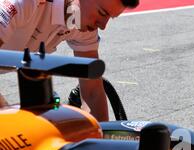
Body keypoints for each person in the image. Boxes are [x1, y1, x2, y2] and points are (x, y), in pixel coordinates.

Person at [0, 0, 139, 121]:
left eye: (110, 17)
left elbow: (92, 92)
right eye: (102, 13)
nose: (103, 25)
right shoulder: (25, 2)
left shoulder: (81, 21)